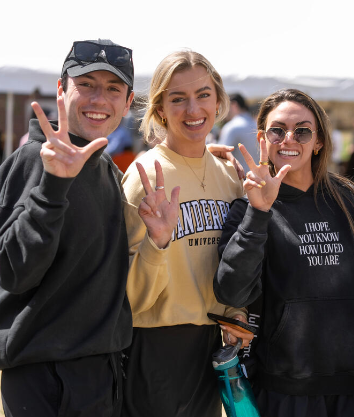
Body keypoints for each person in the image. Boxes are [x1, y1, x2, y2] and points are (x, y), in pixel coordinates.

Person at [0, 39, 136, 417]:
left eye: (113, 89)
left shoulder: (106, 168)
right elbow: (13, 273)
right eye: (86, 84)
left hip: (97, 371)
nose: (99, 99)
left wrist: (157, 237)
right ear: (61, 89)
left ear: (128, 102)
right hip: (44, 377)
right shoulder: (33, 160)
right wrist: (52, 185)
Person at [214, 88, 354, 417]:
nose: (289, 139)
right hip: (283, 388)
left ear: (318, 141)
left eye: (302, 131)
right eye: (278, 130)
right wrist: (259, 212)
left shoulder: (350, 200)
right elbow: (231, 291)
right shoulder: (247, 208)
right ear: (263, 138)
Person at [121, 50, 252, 417]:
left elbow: (233, 262)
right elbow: (129, 299)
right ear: (160, 109)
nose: (193, 109)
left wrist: (236, 313)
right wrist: (157, 242)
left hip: (212, 348)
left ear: (219, 100)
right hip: (154, 348)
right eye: (178, 98)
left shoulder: (229, 176)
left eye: (203, 95)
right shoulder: (145, 176)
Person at [218, 93, 259, 171]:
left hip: (239, 177)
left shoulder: (232, 127)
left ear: (234, 105)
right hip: (258, 176)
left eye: (225, 107)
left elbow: (219, 154)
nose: (223, 112)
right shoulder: (256, 125)